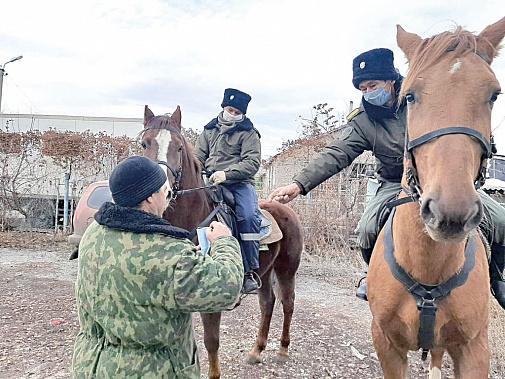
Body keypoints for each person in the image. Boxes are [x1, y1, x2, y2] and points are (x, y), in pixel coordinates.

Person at [268, 48, 505, 309]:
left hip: (439, 178)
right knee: (367, 230)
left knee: (501, 221)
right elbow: (337, 153)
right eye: (363, 88)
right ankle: (375, 276)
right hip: (394, 183)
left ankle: (497, 277)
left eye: (373, 85)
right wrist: (299, 184)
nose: (368, 92)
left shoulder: (425, 99)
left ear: (391, 81)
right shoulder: (364, 121)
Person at [72, 156, 244, 378]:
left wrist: (191, 261)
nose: (168, 195)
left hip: (92, 366)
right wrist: (224, 241)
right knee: (248, 216)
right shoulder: (172, 253)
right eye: (165, 190)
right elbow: (227, 287)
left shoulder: (94, 233)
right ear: (151, 197)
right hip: (153, 372)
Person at [195, 88, 262, 294]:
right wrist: (200, 172)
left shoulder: (249, 133)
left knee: (249, 216)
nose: (232, 114)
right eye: (229, 110)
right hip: (209, 181)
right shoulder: (209, 131)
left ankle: (249, 271)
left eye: (236, 112)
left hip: (239, 183)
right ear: (223, 108)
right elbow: (198, 156)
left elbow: (252, 163)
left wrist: (227, 174)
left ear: (243, 114)